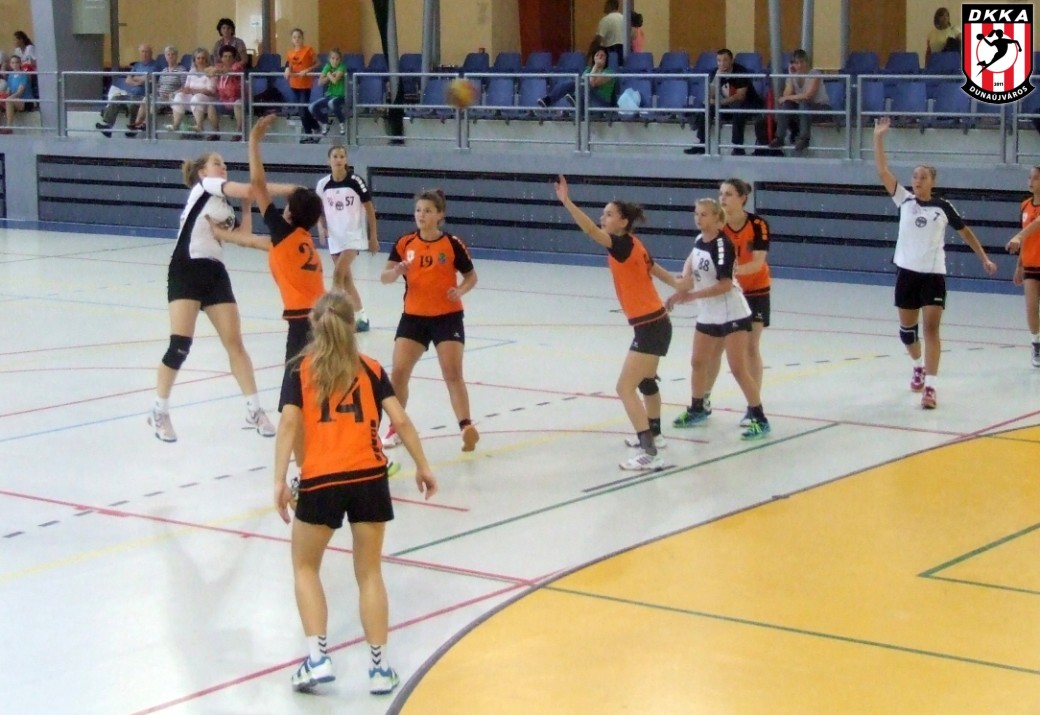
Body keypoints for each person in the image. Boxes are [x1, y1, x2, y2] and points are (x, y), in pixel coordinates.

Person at [273, 291, 437, 695]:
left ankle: (317, 659)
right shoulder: (371, 368)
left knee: (305, 567)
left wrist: (279, 480)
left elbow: (290, 425)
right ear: (352, 326)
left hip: (321, 480)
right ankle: (380, 669)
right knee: (369, 572)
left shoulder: (300, 370)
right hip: (369, 478)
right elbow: (401, 420)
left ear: (314, 326)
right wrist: (422, 464)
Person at [149, 149, 276, 443]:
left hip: (215, 271)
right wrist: (272, 189)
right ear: (203, 172)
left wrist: (247, 208)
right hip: (187, 267)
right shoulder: (204, 188)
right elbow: (249, 189)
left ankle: (254, 410)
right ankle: (159, 411)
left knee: (235, 343)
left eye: (225, 163)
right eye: (217, 163)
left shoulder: (224, 206)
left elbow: (242, 237)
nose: (224, 166)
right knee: (180, 345)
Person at [554, 175, 679, 470]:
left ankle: (650, 453)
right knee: (646, 381)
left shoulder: (621, 244)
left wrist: (567, 202)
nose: (603, 218)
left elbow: (589, 230)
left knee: (624, 387)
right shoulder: (634, 243)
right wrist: (678, 284)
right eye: (603, 214)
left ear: (623, 222)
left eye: (609, 215)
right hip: (656, 323)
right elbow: (655, 270)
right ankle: (655, 434)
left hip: (650, 326)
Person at [873, 117, 997, 409]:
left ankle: (930, 387)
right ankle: (917, 366)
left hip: (933, 276)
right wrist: (878, 137)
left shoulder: (943, 207)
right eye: (915, 176)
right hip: (906, 273)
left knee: (931, 330)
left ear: (933, 181)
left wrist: (984, 258)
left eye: (923, 177)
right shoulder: (904, 200)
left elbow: (966, 232)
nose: (917, 180)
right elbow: (882, 170)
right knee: (907, 332)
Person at [379, 189, 480, 453]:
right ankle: (396, 427)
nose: (421, 215)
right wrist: (396, 271)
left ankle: (466, 427)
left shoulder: (452, 244)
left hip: (447, 318)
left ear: (440, 215)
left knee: (452, 374)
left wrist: (460, 290)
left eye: (427, 211)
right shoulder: (405, 242)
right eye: (418, 210)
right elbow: (384, 277)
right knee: (398, 373)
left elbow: (471, 277)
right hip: (413, 317)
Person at [667, 198, 771, 440]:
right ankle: (697, 408)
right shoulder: (698, 241)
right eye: (696, 213)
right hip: (708, 312)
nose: (698, 218)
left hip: (731, 312)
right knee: (698, 362)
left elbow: (725, 284)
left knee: (737, 368)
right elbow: (691, 271)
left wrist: (693, 296)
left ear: (716, 218)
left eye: (704, 214)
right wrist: (679, 292)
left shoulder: (723, 245)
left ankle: (759, 417)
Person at [316, 144, 379, 332]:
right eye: (335, 156)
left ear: (346, 160)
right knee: (346, 280)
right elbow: (318, 209)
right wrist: (321, 227)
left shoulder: (355, 181)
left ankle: (333, 319)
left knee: (337, 275)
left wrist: (373, 236)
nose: (339, 159)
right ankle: (363, 318)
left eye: (342, 156)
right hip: (334, 237)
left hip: (353, 236)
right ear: (329, 160)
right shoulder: (323, 184)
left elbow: (369, 208)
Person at [684, 48, 767, 156]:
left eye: (725, 60)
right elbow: (709, 95)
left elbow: (740, 96)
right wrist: (716, 79)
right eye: (719, 60)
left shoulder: (740, 71)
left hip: (748, 104)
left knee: (738, 111)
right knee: (707, 108)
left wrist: (719, 102)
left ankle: (738, 147)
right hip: (728, 104)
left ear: (732, 61)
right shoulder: (715, 72)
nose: (721, 63)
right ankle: (702, 144)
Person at [1004, 166, 1040, 368]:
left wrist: (1018, 236)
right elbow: (1026, 237)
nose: (1031, 181)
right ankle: (1036, 343)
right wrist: (1019, 265)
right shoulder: (1025, 205)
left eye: (1036, 178)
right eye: (1030, 177)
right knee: (1031, 307)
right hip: (1031, 264)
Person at [769, 49, 830, 152]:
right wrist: (791, 75)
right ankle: (779, 137)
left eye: (802, 62)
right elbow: (786, 95)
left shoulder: (815, 74)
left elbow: (808, 96)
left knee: (803, 104)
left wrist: (788, 98)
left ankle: (804, 139)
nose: (800, 65)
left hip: (820, 107)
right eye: (797, 63)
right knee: (787, 104)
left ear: (807, 62)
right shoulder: (793, 75)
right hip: (803, 108)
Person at [97, 44, 159, 137]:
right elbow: (128, 80)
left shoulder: (155, 65)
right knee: (116, 98)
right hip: (131, 94)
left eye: (146, 52)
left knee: (134, 104)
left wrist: (136, 78)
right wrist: (138, 82)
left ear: (151, 53)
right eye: (142, 52)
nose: (144, 54)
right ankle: (108, 127)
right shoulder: (137, 65)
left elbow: (147, 78)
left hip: (144, 96)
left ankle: (132, 130)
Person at [130, 45, 186, 133]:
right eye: (168, 54)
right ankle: (137, 123)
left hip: (172, 98)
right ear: (165, 56)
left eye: (173, 54)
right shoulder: (164, 70)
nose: (170, 56)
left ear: (176, 56)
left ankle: (145, 124)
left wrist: (173, 94)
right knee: (146, 99)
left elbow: (184, 87)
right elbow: (159, 85)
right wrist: (157, 91)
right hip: (160, 95)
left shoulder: (182, 70)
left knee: (154, 103)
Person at [538, 46, 616, 110]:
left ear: (606, 58)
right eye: (597, 55)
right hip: (587, 102)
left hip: (602, 103)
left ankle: (576, 100)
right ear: (594, 58)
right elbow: (580, 84)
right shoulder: (588, 70)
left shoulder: (609, 72)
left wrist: (596, 66)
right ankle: (548, 100)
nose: (600, 57)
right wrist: (594, 68)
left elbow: (592, 83)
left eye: (602, 55)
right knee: (574, 82)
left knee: (583, 84)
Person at [170, 49, 218, 135]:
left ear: (207, 59)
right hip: (193, 98)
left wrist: (194, 91)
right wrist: (184, 90)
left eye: (203, 58)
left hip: (208, 99)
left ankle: (199, 126)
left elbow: (211, 91)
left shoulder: (211, 72)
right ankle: (176, 124)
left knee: (197, 97)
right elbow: (187, 86)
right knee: (179, 96)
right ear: (195, 60)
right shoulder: (192, 71)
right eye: (198, 58)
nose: (200, 60)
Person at [284, 28, 320, 142]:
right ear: (291, 39)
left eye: (299, 37)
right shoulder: (290, 52)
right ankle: (315, 127)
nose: (297, 39)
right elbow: (289, 65)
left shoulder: (308, 50)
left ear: (302, 38)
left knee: (302, 110)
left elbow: (318, 63)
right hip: (294, 84)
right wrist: (287, 69)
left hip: (305, 84)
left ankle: (309, 133)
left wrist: (307, 70)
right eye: (294, 37)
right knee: (302, 109)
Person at [308, 48, 348, 137]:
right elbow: (320, 82)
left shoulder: (342, 67)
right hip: (329, 95)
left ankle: (342, 122)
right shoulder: (327, 66)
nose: (335, 61)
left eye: (337, 59)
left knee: (331, 103)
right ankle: (324, 121)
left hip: (340, 96)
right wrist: (330, 74)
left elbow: (335, 81)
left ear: (340, 60)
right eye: (333, 58)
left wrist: (329, 74)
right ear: (329, 59)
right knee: (312, 107)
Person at [209, 44, 245, 140]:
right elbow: (207, 70)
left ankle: (239, 132)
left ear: (234, 58)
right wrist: (211, 70)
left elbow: (230, 71)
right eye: (225, 56)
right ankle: (216, 132)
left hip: (237, 99)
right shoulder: (219, 66)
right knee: (211, 106)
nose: (227, 59)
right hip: (223, 100)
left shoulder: (237, 66)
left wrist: (216, 70)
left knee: (238, 104)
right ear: (221, 58)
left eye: (230, 57)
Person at [0, 56, 33, 134]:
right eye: (12, 63)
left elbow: (19, 92)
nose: (14, 64)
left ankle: (9, 128)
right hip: (14, 101)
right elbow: (8, 91)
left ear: (20, 63)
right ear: (10, 64)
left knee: (9, 100)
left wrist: (8, 98)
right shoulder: (10, 76)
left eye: (16, 62)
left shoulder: (23, 75)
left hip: (26, 101)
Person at [592, 0, 625, 68]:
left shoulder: (606, 20)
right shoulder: (624, 19)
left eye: (606, 5)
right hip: (624, 51)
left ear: (610, 6)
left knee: (609, 70)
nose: (604, 7)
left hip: (610, 51)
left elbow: (599, 39)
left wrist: (591, 52)